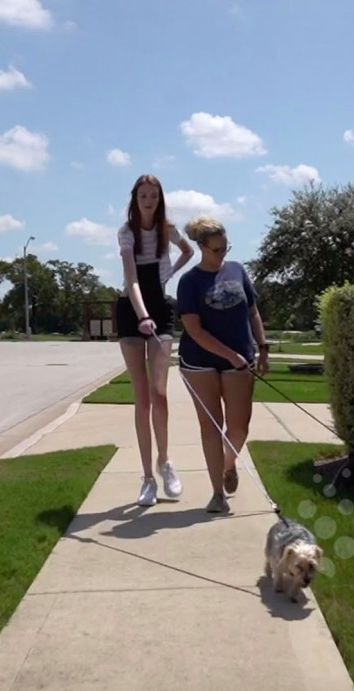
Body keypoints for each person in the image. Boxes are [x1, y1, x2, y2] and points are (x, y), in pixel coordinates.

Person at [175, 215, 269, 514]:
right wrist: (229, 355)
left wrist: (262, 347)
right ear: (201, 247)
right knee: (211, 427)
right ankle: (218, 494)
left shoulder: (238, 270)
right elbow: (194, 330)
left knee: (239, 426)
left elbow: (253, 312)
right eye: (216, 249)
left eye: (225, 247)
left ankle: (229, 464)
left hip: (240, 359)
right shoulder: (189, 282)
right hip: (199, 361)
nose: (221, 254)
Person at [116, 175, 194, 506]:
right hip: (131, 310)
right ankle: (147, 477)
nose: (148, 201)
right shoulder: (127, 232)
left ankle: (165, 462)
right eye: (143, 196)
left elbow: (188, 250)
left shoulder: (167, 229)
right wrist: (142, 315)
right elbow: (131, 279)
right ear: (135, 199)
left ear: (160, 199)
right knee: (142, 397)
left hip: (161, 310)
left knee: (159, 393)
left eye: (154, 196)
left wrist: (169, 273)